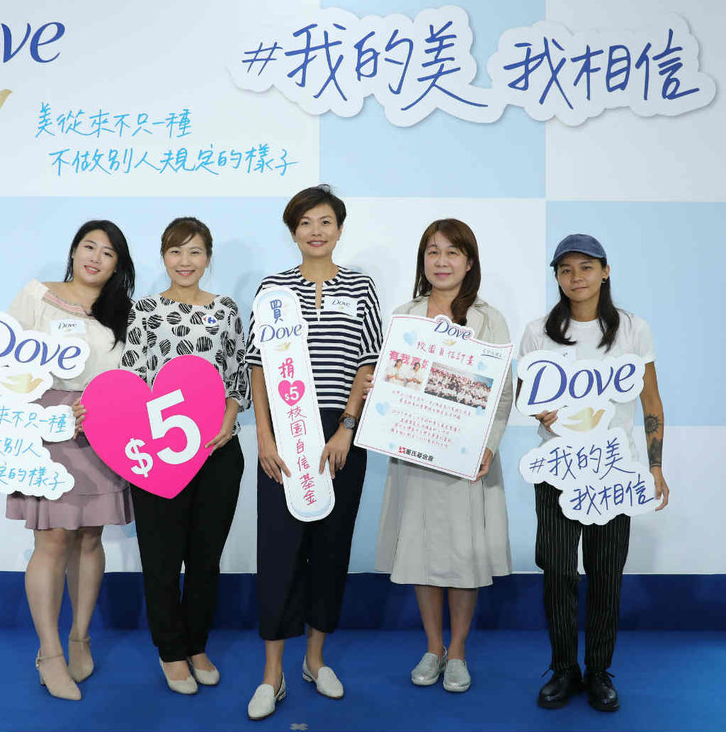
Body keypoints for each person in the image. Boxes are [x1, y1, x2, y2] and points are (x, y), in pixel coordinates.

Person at [0, 220, 136, 701]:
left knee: (90, 537)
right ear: (73, 252)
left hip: (102, 429)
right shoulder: (37, 294)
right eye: (88, 247)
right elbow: (5, 351)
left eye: (108, 253)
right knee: (52, 538)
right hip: (46, 426)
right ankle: (50, 654)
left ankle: (80, 638)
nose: (95, 257)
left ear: (118, 265)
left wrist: (104, 409)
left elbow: (130, 374)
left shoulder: (124, 312)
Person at [245, 185, 382, 720]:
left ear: (339, 229)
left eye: (325, 221)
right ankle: (271, 674)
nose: (316, 231)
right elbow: (258, 366)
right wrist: (264, 436)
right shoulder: (273, 288)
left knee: (331, 547)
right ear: (293, 232)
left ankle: (315, 660)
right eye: (305, 223)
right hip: (284, 434)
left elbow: (368, 362)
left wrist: (347, 427)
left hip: (340, 434)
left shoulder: (361, 287)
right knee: (279, 551)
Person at [518, 233, 669, 712]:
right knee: (558, 571)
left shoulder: (633, 329)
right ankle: (564, 668)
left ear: (605, 272)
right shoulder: (538, 331)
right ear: (557, 277)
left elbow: (650, 402)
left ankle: (600, 671)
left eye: (586, 267)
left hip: (613, 472)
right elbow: (526, 395)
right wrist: (538, 411)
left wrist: (655, 466)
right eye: (565, 269)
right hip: (557, 470)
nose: (576, 277)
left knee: (606, 574)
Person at [376, 218, 513, 693]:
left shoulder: (489, 319)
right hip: (415, 452)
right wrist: (380, 392)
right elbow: (392, 379)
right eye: (433, 252)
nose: (442, 261)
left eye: (452, 252)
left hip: (467, 459)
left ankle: (458, 652)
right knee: (421, 550)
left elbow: (503, 392)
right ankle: (433, 647)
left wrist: (489, 445)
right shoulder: (406, 315)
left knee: (462, 554)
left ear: (469, 262)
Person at [118, 217, 249, 695]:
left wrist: (228, 420)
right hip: (160, 454)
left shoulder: (226, 310)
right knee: (161, 558)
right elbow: (133, 378)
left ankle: (196, 644)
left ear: (208, 258)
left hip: (217, 452)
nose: (185, 261)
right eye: (176, 251)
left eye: (195, 251)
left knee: (205, 559)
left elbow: (237, 375)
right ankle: (170, 651)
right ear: (163, 257)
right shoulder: (144, 311)